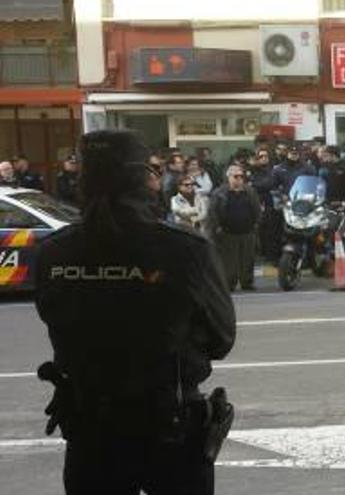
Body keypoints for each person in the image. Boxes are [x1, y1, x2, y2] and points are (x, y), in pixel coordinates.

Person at [34, 129, 235, 494]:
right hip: (169, 429)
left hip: (90, 430)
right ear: (145, 178)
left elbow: (57, 324)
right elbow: (221, 339)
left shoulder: (53, 253)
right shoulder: (185, 250)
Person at [207, 164, 262, 291]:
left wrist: (256, 224)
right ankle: (229, 284)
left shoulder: (249, 192)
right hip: (228, 233)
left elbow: (257, 209)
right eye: (235, 176)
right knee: (229, 262)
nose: (239, 179)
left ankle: (247, 282)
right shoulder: (219, 193)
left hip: (247, 232)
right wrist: (217, 228)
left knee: (247, 259)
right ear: (229, 177)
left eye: (241, 176)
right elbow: (212, 213)